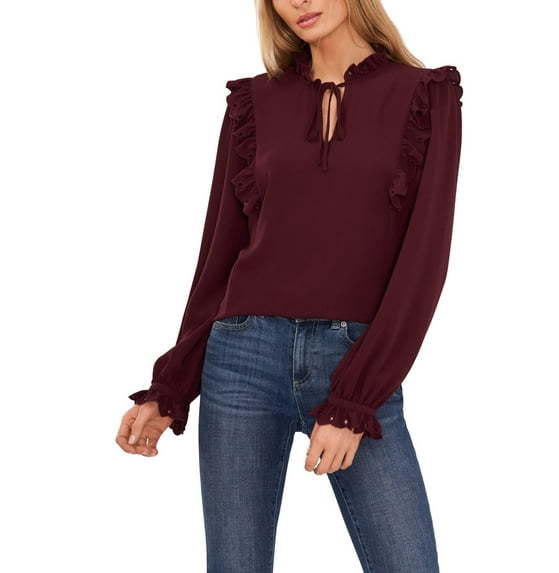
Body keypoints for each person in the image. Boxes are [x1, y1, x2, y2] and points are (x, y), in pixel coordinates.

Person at [116, 0, 463, 570]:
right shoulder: (254, 101)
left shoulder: (426, 95)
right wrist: (171, 385)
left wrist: (354, 399)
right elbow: (219, 255)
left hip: (355, 357)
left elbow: (425, 259)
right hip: (242, 359)